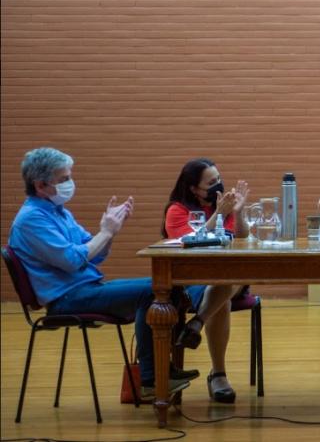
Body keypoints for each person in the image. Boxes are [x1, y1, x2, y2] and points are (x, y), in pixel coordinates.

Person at [8, 147, 195, 400]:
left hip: (88, 288)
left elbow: (94, 254)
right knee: (153, 293)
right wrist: (105, 232)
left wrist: (111, 230)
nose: (70, 183)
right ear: (40, 185)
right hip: (66, 299)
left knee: (168, 286)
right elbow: (73, 260)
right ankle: (151, 380)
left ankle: (163, 370)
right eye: (63, 179)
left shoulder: (60, 212)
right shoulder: (31, 219)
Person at [163, 158, 250, 403]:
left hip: (235, 277)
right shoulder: (177, 210)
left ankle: (197, 323)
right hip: (195, 279)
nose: (218, 185)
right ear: (194, 188)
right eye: (211, 182)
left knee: (230, 277)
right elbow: (188, 243)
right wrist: (219, 215)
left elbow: (243, 239)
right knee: (222, 297)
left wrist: (239, 211)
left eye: (219, 179)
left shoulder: (224, 204)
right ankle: (218, 375)